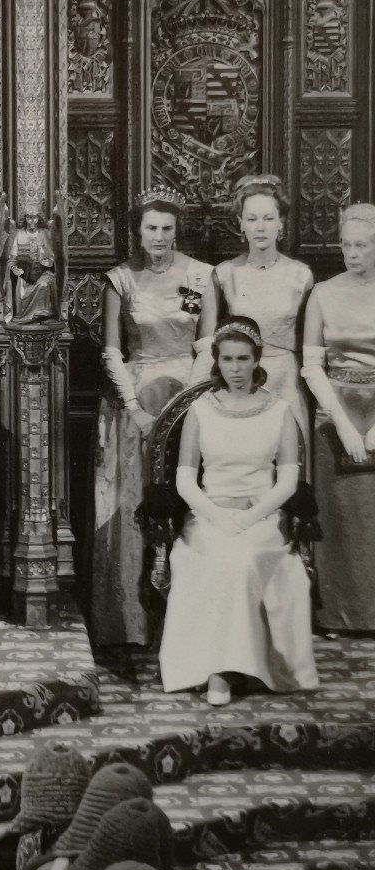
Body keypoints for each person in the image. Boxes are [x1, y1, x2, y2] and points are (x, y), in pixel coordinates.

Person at [159, 317, 317, 706]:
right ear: (217, 361)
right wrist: (218, 517)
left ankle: (230, 667)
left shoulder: (279, 410)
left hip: (262, 518)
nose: (235, 368)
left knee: (244, 559)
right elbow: (184, 481)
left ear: (255, 360)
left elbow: (287, 482)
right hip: (210, 517)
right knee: (221, 556)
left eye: (243, 359)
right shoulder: (200, 410)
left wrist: (248, 518)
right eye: (227, 359)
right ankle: (218, 669)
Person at [90, 186, 217, 651]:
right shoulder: (120, 279)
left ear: (176, 230)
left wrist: (189, 402)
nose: (159, 237)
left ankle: (193, 624)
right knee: (134, 505)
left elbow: (206, 344)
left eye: (167, 229)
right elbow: (112, 350)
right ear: (137, 232)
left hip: (190, 397)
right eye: (151, 228)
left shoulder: (202, 277)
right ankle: (131, 622)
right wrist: (138, 411)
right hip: (135, 403)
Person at [301, 202, 375, 632]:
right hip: (336, 406)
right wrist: (344, 424)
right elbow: (312, 365)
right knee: (342, 518)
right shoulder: (323, 293)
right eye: (346, 245)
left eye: (362, 245)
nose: (352, 253)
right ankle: (340, 614)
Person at [214, 175, 314, 434]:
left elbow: (310, 344)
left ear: (280, 224)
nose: (260, 227)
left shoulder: (300, 276)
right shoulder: (224, 275)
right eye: (252, 219)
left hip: (286, 381)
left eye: (268, 218)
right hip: (240, 380)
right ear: (240, 225)